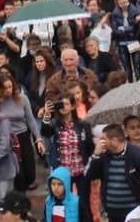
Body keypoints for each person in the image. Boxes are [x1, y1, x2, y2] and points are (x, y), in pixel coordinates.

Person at [41, 92, 94, 221]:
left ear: (72, 106)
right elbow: (45, 132)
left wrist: (89, 165)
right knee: (62, 202)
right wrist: (47, 114)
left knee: (83, 202)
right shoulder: (55, 124)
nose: (63, 106)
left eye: (66, 103)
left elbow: (89, 147)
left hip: (80, 170)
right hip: (62, 172)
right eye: (61, 104)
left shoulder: (82, 125)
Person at [88, 123, 140, 222]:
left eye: (103, 139)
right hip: (111, 211)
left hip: (134, 210)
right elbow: (92, 176)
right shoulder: (103, 156)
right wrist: (95, 155)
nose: (101, 142)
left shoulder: (138, 153)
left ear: (114, 140)